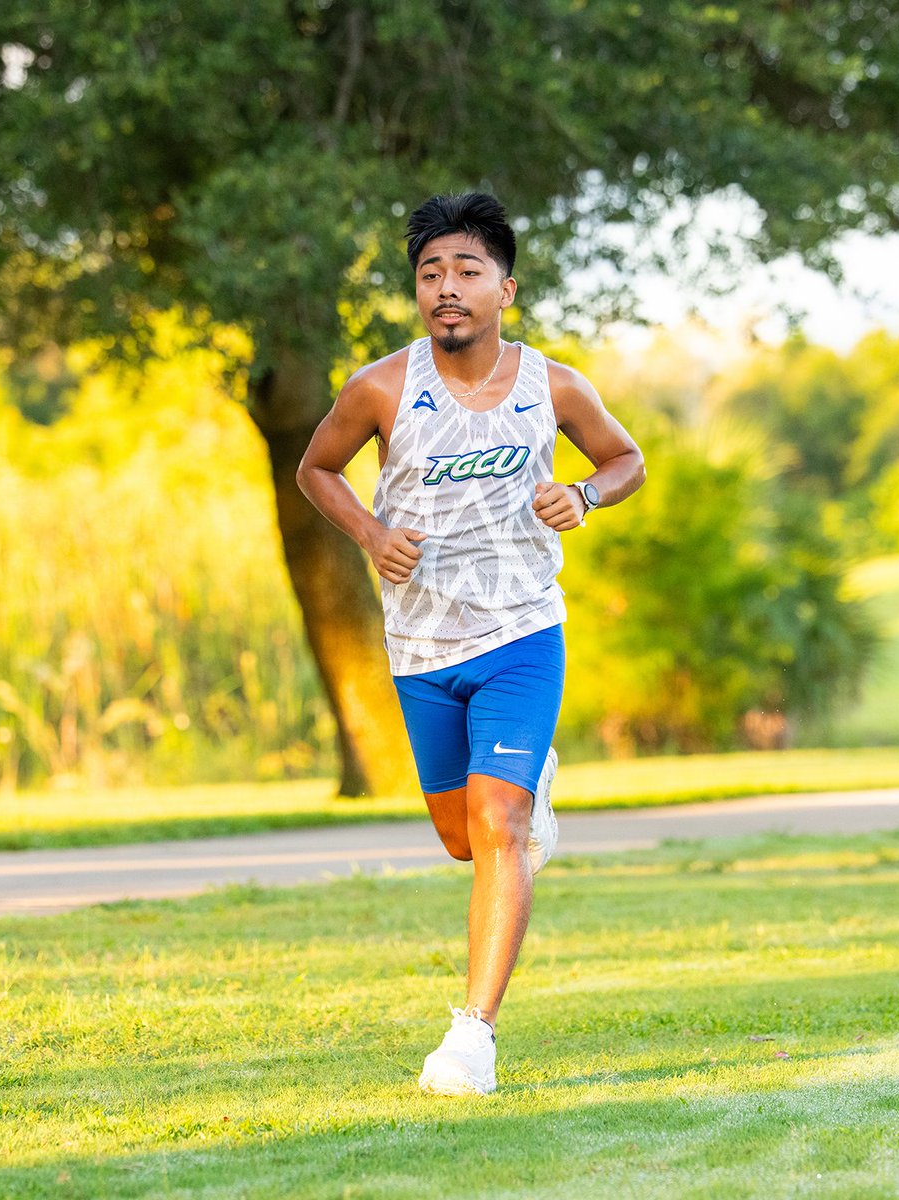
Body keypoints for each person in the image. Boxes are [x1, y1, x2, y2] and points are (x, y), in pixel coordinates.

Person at [297, 192, 645, 1096]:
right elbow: (316, 469)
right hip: (421, 647)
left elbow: (626, 459)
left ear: (506, 289)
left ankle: (472, 1038)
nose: (447, 288)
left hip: (525, 630)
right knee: (463, 837)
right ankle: (529, 796)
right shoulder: (379, 387)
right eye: (430, 274)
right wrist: (373, 536)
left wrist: (586, 496)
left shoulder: (554, 385)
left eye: (467, 272)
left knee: (499, 826)